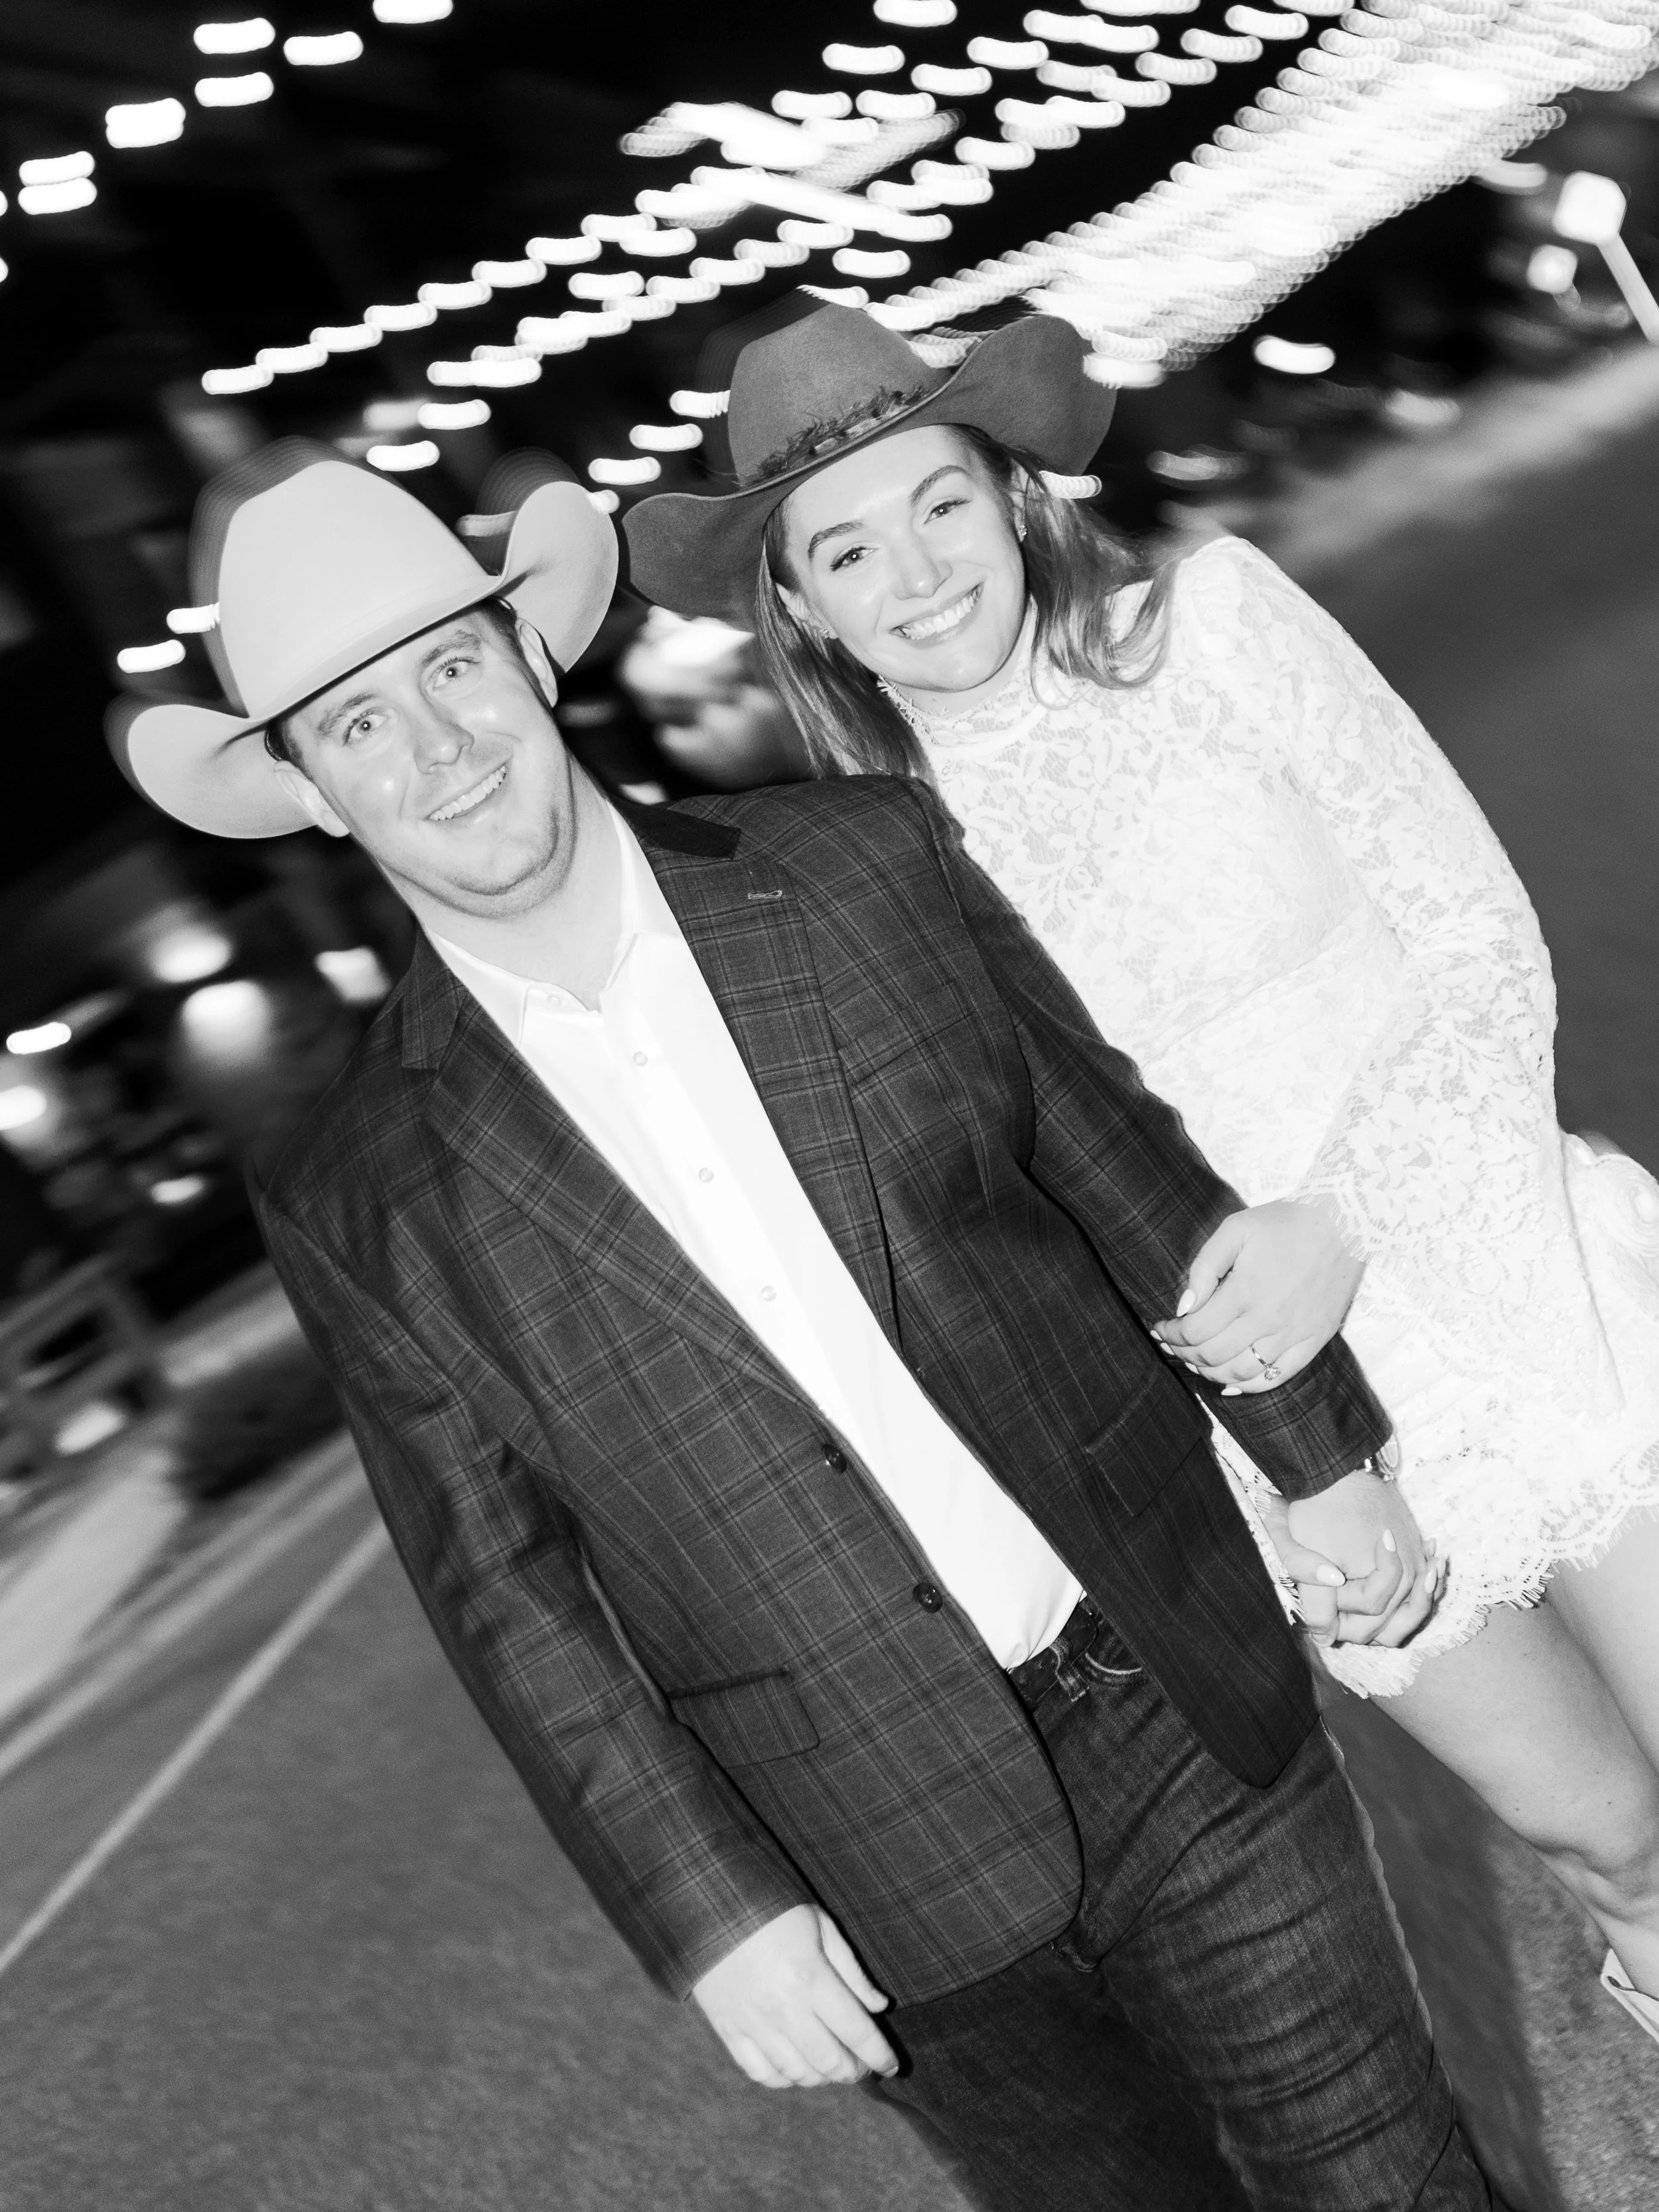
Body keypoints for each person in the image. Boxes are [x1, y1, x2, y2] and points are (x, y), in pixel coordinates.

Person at [109, 448, 1492, 2211]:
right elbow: (501, 1586)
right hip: (867, 1859)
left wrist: (1321, 1452)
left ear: (531, 659)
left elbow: (1112, 1157)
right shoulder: (360, 1185)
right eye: (359, 724)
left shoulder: (853, 867)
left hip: (1165, 1676)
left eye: (453, 669)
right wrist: (703, 1903)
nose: (437, 747)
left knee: (1396, 2183)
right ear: (309, 792)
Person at [624, 301, 1659, 2049]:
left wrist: (1340, 1220)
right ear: (798, 604)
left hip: (1530, 1272)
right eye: (848, 548)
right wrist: (1277, 1440)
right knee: (1608, 1842)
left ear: (1008, 489)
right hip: (1302, 1444)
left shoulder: (1219, 628)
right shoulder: (866, 881)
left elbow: (1472, 938)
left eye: (936, 503)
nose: (915, 571)